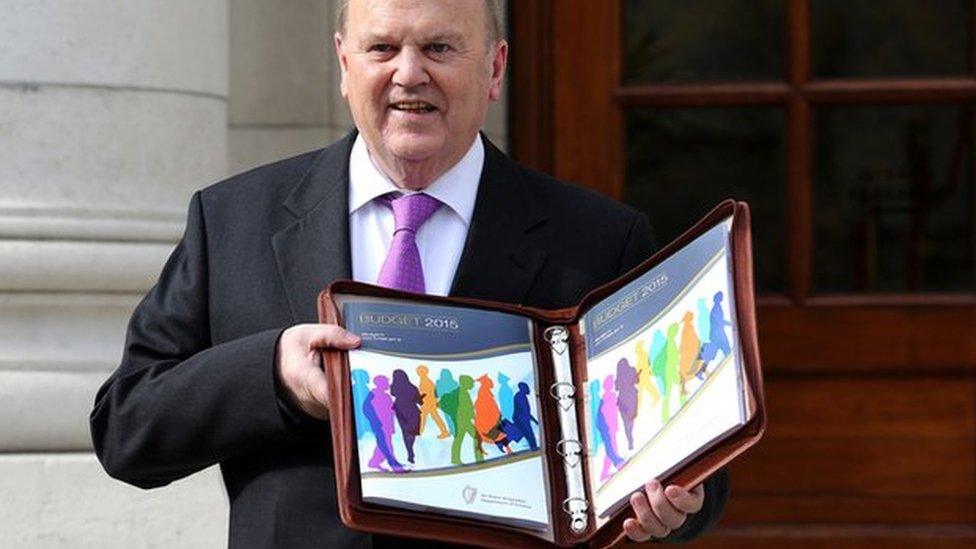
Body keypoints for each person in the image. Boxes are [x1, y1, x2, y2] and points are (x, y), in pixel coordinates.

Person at [89, 0, 728, 546]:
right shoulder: (231, 220)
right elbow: (126, 428)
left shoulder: (598, 237)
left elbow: (689, 456)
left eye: (440, 47)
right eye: (382, 47)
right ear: (345, 64)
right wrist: (275, 375)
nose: (409, 73)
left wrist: (679, 503)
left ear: (496, 68)